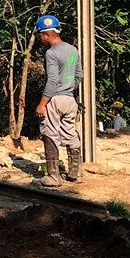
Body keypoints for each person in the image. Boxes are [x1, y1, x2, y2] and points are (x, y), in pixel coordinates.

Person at [34, 14, 83, 186]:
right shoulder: (73, 50)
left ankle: (54, 177)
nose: (40, 38)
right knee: (70, 133)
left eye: (40, 35)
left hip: (55, 99)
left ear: (47, 34)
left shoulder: (51, 53)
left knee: (49, 133)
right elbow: (79, 75)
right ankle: (75, 174)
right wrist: (68, 88)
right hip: (70, 100)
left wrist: (42, 103)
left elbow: (52, 80)